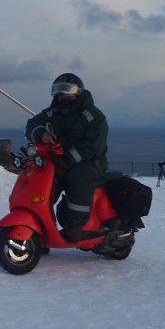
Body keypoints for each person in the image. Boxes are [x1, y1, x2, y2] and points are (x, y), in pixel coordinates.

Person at [25, 73, 109, 242]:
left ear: (79, 92)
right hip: (59, 159)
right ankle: (41, 224)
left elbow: (93, 146)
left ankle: (77, 227)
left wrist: (67, 160)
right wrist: (42, 135)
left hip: (89, 162)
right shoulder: (52, 112)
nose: (64, 96)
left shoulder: (93, 116)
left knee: (77, 177)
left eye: (69, 91)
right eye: (59, 91)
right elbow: (32, 124)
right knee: (42, 180)